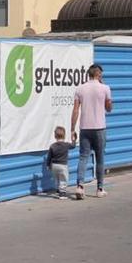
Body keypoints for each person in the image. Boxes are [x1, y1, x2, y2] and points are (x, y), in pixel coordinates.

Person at [71, 64, 113, 200]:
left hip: (85, 128)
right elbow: (109, 108)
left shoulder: (80, 89)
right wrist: (106, 96)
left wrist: (72, 129)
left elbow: (76, 110)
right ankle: (100, 189)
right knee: (100, 158)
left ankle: (80, 186)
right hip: (99, 127)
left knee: (83, 157)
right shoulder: (105, 88)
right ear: (98, 75)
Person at [45, 126, 72, 200]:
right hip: (63, 165)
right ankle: (62, 193)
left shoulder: (52, 146)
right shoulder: (66, 145)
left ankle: (58, 189)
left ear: (55, 136)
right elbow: (73, 146)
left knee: (56, 178)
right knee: (63, 178)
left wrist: (48, 165)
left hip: (54, 165)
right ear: (64, 135)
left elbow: (49, 157)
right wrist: (74, 139)